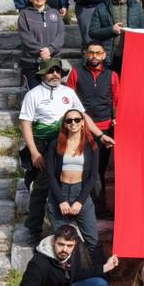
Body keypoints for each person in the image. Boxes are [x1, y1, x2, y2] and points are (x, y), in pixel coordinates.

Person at [19, 60, 111, 244]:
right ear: (42, 74)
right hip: (44, 146)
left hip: (68, 143)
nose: (55, 74)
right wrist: (35, 152)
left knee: (81, 179)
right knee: (41, 187)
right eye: (51, 71)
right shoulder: (33, 94)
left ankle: (78, 225)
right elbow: (25, 123)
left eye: (58, 71)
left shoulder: (68, 92)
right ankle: (34, 229)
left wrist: (100, 135)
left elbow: (82, 116)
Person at [65, 42, 117, 217]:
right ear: (86, 54)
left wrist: (116, 118)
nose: (94, 56)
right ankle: (86, 204)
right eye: (91, 53)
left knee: (100, 169)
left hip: (104, 129)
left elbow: (116, 99)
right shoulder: (76, 73)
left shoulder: (112, 75)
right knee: (84, 167)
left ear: (104, 55)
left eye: (98, 53)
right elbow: (69, 98)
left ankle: (101, 208)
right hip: (81, 128)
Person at [46, 110, 101, 258]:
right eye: (69, 120)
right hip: (60, 192)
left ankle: (100, 272)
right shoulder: (55, 145)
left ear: (83, 122)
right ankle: (62, 271)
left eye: (77, 120)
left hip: (81, 192)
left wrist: (80, 202)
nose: (73, 123)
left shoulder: (91, 145)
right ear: (64, 124)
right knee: (60, 241)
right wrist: (61, 200)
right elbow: (50, 175)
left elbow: (93, 176)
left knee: (92, 240)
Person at [88, 0, 144, 71]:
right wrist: (111, 30)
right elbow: (92, 32)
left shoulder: (136, 7)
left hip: (131, 56)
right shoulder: (101, 8)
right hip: (109, 57)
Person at [17, 0, 66, 90]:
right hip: (32, 63)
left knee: (53, 93)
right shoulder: (24, 15)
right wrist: (41, 52)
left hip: (53, 61)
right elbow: (25, 37)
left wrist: (50, 50)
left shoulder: (55, 13)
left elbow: (60, 35)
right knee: (33, 94)